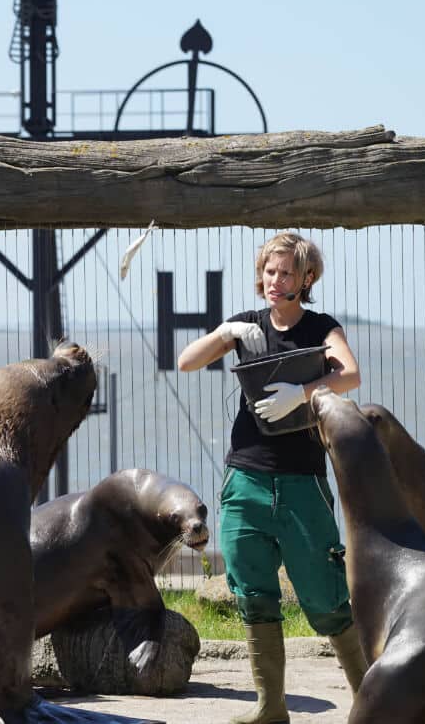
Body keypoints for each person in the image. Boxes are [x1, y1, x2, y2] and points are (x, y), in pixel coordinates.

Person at [177, 232, 368, 724]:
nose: (274, 280)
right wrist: (226, 333)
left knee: (326, 599)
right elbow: (186, 361)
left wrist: (303, 392)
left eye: (285, 272)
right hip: (245, 478)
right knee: (252, 593)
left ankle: (374, 704)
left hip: (303, 482)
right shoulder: (248, 323)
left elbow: (350, 375)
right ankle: (271, 709)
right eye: (268, 270)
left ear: (306, 279)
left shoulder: (321, 327)